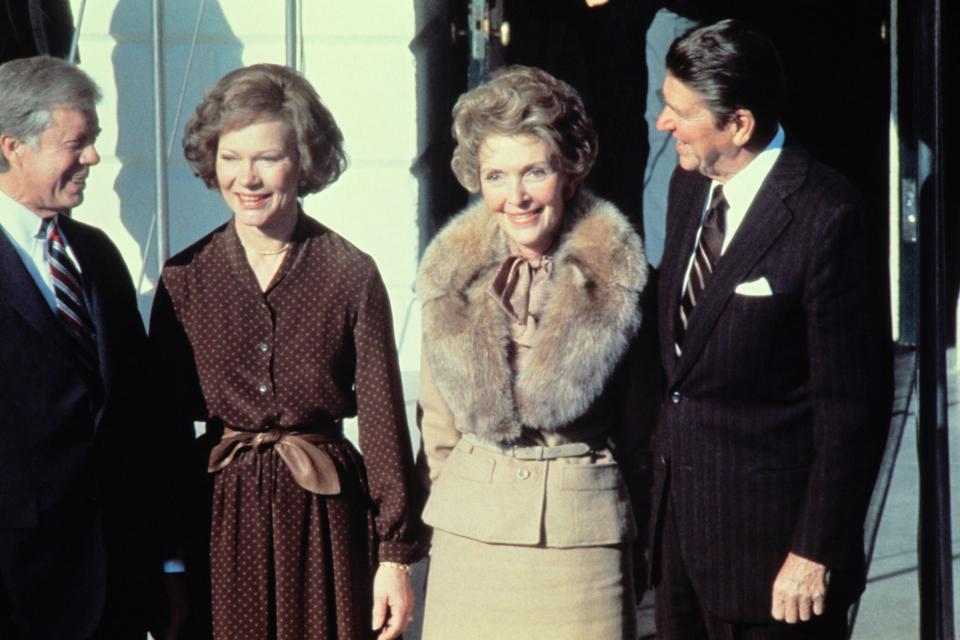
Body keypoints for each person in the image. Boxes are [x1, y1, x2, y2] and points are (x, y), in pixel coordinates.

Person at [148, 63, 422, 640]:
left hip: (326, 519)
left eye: (267, 158)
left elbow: (382, 423)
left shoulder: (351, 273)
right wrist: (169, 563)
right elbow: (161, 436)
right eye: (231, 157)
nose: (246, 178)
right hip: (216, 521)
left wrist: (395, 557)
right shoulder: (183, 280)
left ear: (303, 161)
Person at [650, 19, 892, 639]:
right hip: (682, 549)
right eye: (663, 103)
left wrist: (815, 552)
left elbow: (854, 412)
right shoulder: (688, 185)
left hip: (777, 569)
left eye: (680, 110)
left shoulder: (827, 217)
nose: (663, 124)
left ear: (739, 125)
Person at [416, 65, 650, 640]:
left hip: (581, 546)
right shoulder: (452, 273)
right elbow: (438, 429)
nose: (515, 197)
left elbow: (645, 434)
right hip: (470, 544)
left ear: (568, 173)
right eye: (495, 175)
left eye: (534, 172)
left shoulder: (623, 277)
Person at [0, 55, 184, 638]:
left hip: (119, 585)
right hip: (18, 586)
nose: (94, 158)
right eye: (75, 143)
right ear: (12, 147)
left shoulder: (97, 255)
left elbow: (146, 417)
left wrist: (170, 563)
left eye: (94, 140)